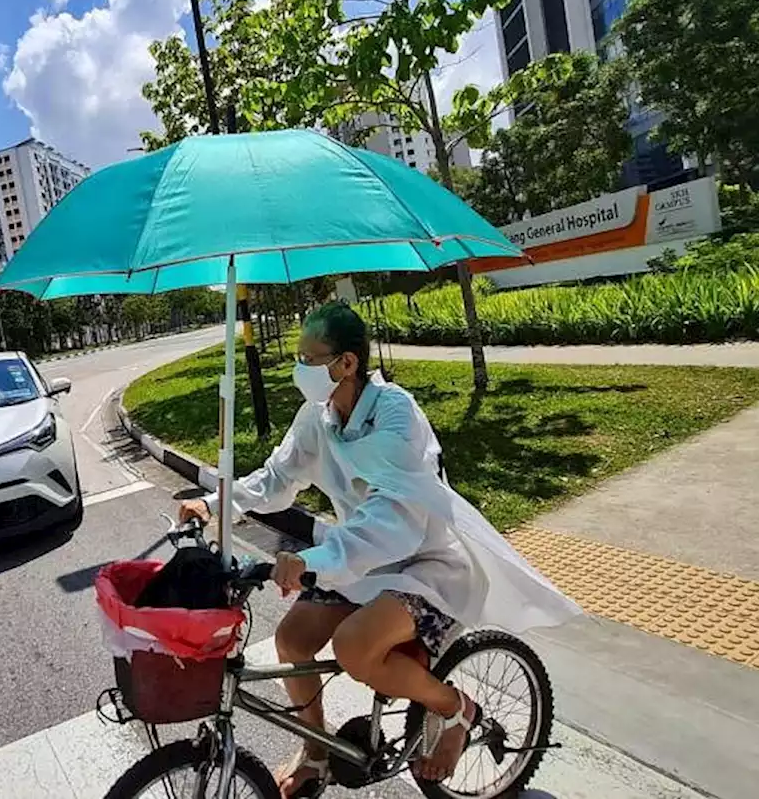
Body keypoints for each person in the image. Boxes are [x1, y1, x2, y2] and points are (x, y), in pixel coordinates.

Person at [179, 301, 581, 796]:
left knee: (354, 646)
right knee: (293, 639)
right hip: (362, 561)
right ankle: (317, 752)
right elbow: (278, 478)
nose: (298, 368)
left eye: (308, 357)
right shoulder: (318, 416)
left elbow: (394, 518)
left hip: (424, 564)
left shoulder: (396, 414)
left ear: (346, 363)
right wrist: (213, 502)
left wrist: (311, 560)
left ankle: (456, 710)